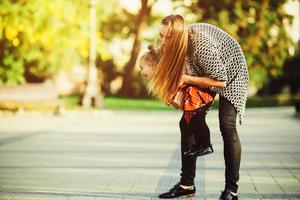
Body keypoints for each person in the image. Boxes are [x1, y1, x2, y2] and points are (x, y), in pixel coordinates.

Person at [147, 15, 249, 200]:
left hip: (232, 74)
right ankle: (187, 185)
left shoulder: (201, 44)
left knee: (227, 126)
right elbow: (180, 76)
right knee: (187, 121)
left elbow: (220, 80)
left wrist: (185, 80)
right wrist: (174, 95)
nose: (162, 41)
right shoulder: (176, 47)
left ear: (177, 36)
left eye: (167, 37)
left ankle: (231, 190)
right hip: (204, 73)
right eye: (161, 35)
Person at [139, 45, 216, 158]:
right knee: (188, 122)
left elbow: (177, 84)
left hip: (197, 96)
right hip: (193, 98)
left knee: (197, 119)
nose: (141, 72)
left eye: (142, 67)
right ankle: (200, 145)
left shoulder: (168, 70)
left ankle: (205, 145)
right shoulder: (163, 75)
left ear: (153, 65)